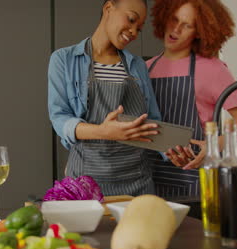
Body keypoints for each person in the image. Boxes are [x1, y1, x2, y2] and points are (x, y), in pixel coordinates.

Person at [48, 0, 162, 196]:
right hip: (86, 183)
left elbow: (152, 121)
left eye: (139, 28)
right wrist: (103, 131)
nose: (134, 31)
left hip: (137, 183)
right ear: (108, 8)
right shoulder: (64, 59)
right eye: (131, 19)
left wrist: (174, 150)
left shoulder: (138, 66)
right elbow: (60, 118)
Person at [146, 0, 237, 197]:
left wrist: (216, 145)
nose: (175, 29)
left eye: (187, 25)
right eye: (174, 19)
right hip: (149, 179)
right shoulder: (146, 68)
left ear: (198, 32)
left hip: (194, 179)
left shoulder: (212, 68)